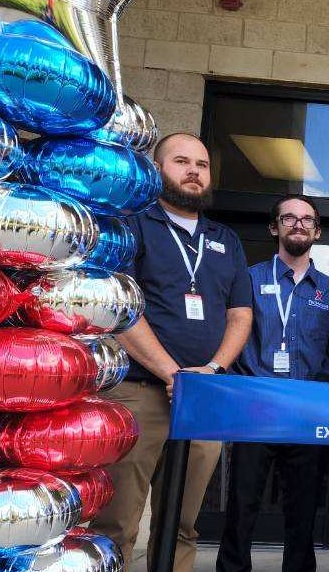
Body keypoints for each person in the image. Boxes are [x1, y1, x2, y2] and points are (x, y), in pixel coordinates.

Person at [91, 133, 254, 572]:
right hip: (139, 393)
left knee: (182, 525)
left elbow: (240, 315)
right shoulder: (132, 224)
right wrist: (172, 373)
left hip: (204, 397)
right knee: (116, 522)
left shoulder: (226, 240)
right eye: (181, 161)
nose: (193, 172)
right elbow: (119, 307)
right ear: (157, 169)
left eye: (201, 164)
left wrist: (213, 369)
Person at [217, 194, 329, 572]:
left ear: (317, 231)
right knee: (242, 507)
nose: (298, 225)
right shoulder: (250, 279)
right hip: (255, 407)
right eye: (289, 218)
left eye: (307, 220)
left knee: (302, 513)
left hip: (306, 413)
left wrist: (323, 401)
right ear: (275, 228)